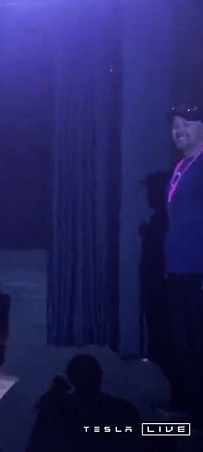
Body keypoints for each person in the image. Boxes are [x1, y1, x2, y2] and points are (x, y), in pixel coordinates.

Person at [159, 102, 203, 427]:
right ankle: (187, 404)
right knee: (183, 342)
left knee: (196, 343)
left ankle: (195, 411)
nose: (178, 131)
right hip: (179, 269)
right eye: (175, 125)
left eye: (186, 124)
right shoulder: (182, 165)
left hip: (197, 271)